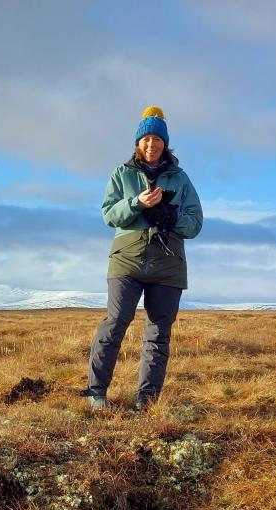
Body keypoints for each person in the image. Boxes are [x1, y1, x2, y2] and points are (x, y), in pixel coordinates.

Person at [82, 106, 203, 412]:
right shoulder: (122, 174)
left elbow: (195, 222)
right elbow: (109, 214)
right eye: (146, 139)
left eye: (157, 139)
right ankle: (96, 394)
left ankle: (146, 402)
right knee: (115, 322)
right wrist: (136, 203)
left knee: (158, 333)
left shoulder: (180, 178)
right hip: (127, 260)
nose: (151, 145)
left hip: (167, 262)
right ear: (138, 143)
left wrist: (172, 216)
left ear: (165, 143)